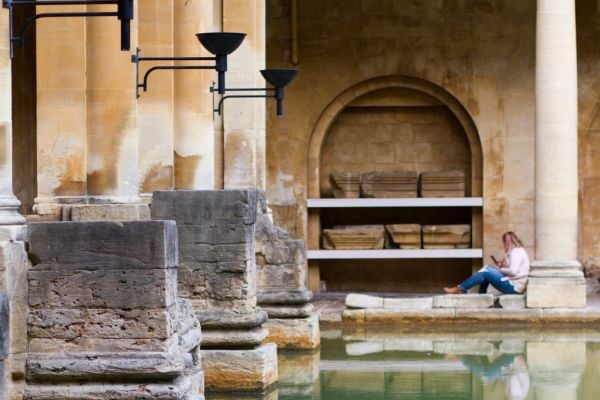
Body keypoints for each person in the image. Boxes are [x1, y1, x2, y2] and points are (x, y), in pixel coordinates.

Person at [444, 231, 530, 294]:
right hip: (514, 285)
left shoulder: (516, 252)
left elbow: (513, 271)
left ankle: (461, 288)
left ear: (507, 242)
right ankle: (480, 295)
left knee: (486, 271)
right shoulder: (517, 251)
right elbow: (513, 268)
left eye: (504, 242)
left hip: (514, 287)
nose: (504, 245)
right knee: (486, 269)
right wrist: (503, 261)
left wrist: (501, 269)